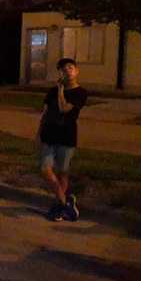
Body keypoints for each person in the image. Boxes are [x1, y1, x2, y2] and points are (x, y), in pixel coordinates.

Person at [38, 58, 87, 222]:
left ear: (77, 71)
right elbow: (44, 113)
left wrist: (60, 90)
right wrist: (38, 132)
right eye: (63, 69)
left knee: (62, 172)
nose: (67, 71)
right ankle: (66, 202)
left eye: (70, 68)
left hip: (67, 136)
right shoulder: (52, 91)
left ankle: (59, 207)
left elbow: (64, 108)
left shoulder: (81, 93)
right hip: (49, 135)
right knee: (46, 169)